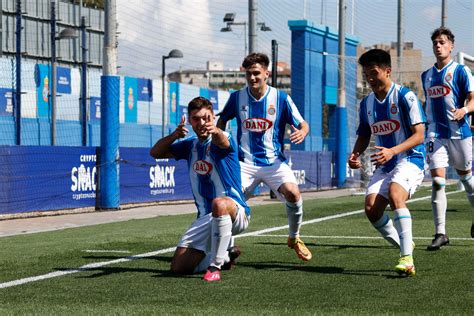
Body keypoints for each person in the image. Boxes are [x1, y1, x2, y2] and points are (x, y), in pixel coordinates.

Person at [217, 52, 312, 262]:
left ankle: (294, 238)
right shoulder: (236, 97)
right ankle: (227, 249)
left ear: (266, 74)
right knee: (228, 203)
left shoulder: (281, 98)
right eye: (249, 74)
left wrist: (303, 132)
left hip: (274, 163)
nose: (252, 78)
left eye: (256, 73)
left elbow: (303, 124)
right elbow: (221, 121)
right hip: (244, 164)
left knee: (294, 193)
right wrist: (220, 142)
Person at [150, 96, 251, 282]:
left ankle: (215, 266)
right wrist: (174, 135)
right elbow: (155, 153)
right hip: (205, 217)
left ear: (213, 117)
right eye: (196, 119)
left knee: (219, 203)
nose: (202, 123)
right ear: (190, 121)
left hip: (235, 212)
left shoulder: (224, 137)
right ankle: (227, 256)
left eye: (206, 118)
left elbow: (223, 141)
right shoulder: (189, 145)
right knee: (179, 267)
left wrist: (216, 130)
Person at [348, 49, 426, 276]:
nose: (370, 79)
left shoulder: (405, 96)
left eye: (374, 73)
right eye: (367, 75)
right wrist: (355, 155)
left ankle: (407, 259)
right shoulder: (366, 104)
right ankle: (404, 244)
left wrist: (393, 150)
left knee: (395, 194)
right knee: (372, 210)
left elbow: (419, 134)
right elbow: (364, 134)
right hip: (386, 163)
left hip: (410, 158)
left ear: (387, 71)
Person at [421, 27, 474, 250]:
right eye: (435, 42)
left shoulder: (461, 72)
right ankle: (440, 232)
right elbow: (428, 105)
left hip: (460, 132)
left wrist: (466, 110)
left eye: (442, 42)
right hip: (435, 133)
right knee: (437, 181)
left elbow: (473, 99)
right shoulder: (426, 76)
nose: (438, 45)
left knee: (467, 179)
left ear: (451, 46)